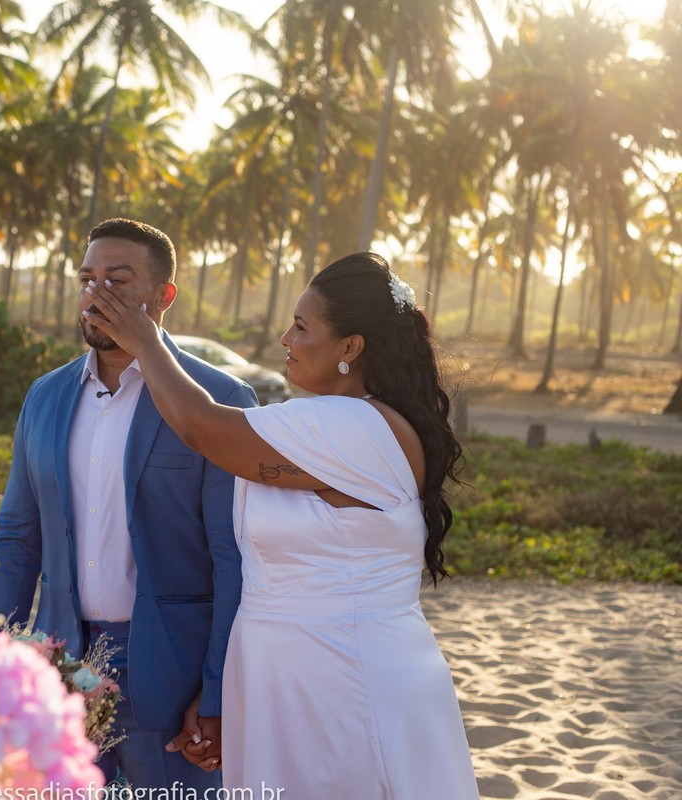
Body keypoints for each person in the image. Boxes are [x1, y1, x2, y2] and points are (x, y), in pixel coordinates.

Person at [83, 251, 479, 798]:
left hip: (341, 680)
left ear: (350, 347)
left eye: (301, 326)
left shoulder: (355, 426)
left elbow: (202, 427)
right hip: (290, 676)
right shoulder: (339, 423)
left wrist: (146, 342)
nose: (285, 339)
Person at [0, 218, 258, 789]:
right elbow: (16, 537)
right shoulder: (45, 397)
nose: (97, 294)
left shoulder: (222, 400)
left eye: (118, 280)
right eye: (87, 279)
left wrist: (218, 691)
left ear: (164, 296)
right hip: (60, 664)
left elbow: (235, 559)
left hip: (169, 672)